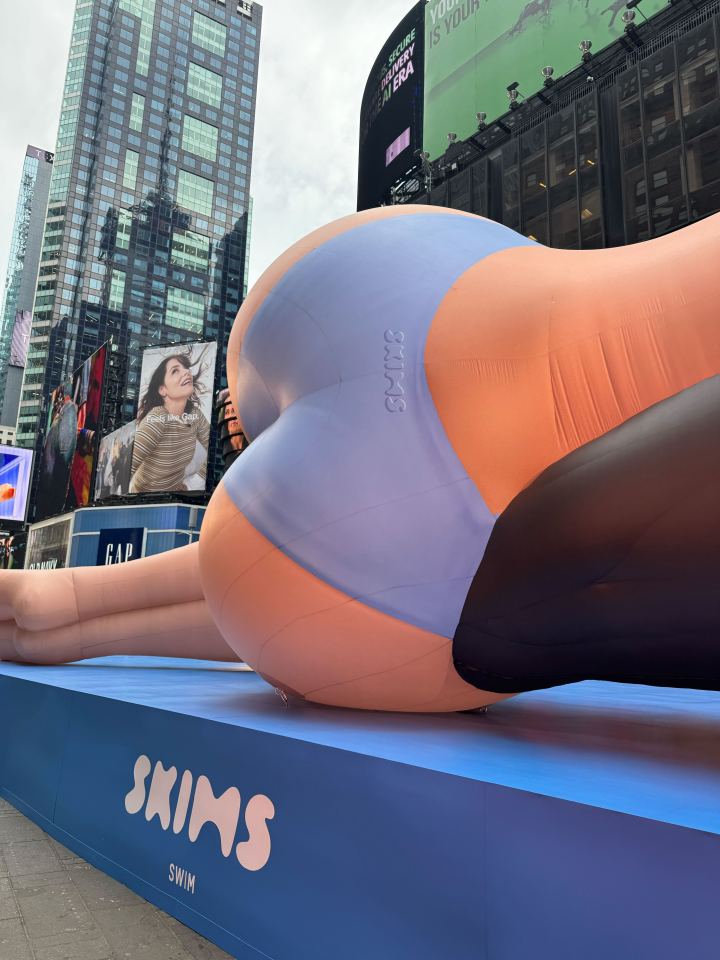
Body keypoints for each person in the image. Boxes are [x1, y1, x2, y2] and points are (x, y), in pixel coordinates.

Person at [0, 206, 718, 713]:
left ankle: (56, 601)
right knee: (349, 567)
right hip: (435, 548)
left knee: (350, 553)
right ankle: (61, 610)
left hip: (418, 262)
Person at [129, 351, 211, 494]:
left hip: (173, 499)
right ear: (163, 389)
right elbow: (125, 469)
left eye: (185, 368)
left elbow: (214, 448)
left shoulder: (194, 415)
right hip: (144, 503)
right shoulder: (156, 419)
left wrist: (192, 484)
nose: (186, 372)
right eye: (175, 371)